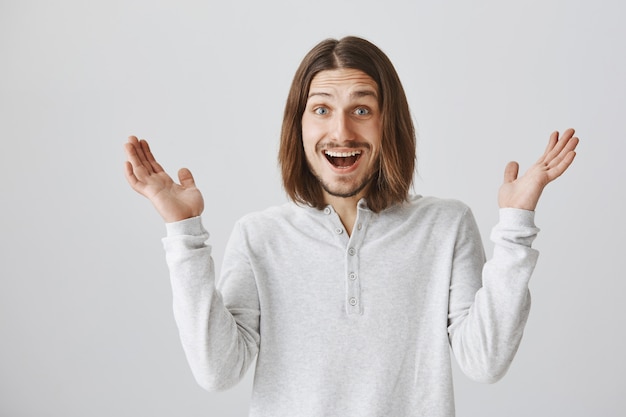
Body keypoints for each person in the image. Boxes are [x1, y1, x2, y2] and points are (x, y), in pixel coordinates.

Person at [123, 36, 579, 417]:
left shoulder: (445, 224)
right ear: (298, 126)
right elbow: (217, 372)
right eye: (321, 109)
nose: (341, 131)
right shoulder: (259, 236)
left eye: (361, 110)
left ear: (388, 124)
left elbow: (486, 361)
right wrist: (183, 233)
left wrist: (516, 226)